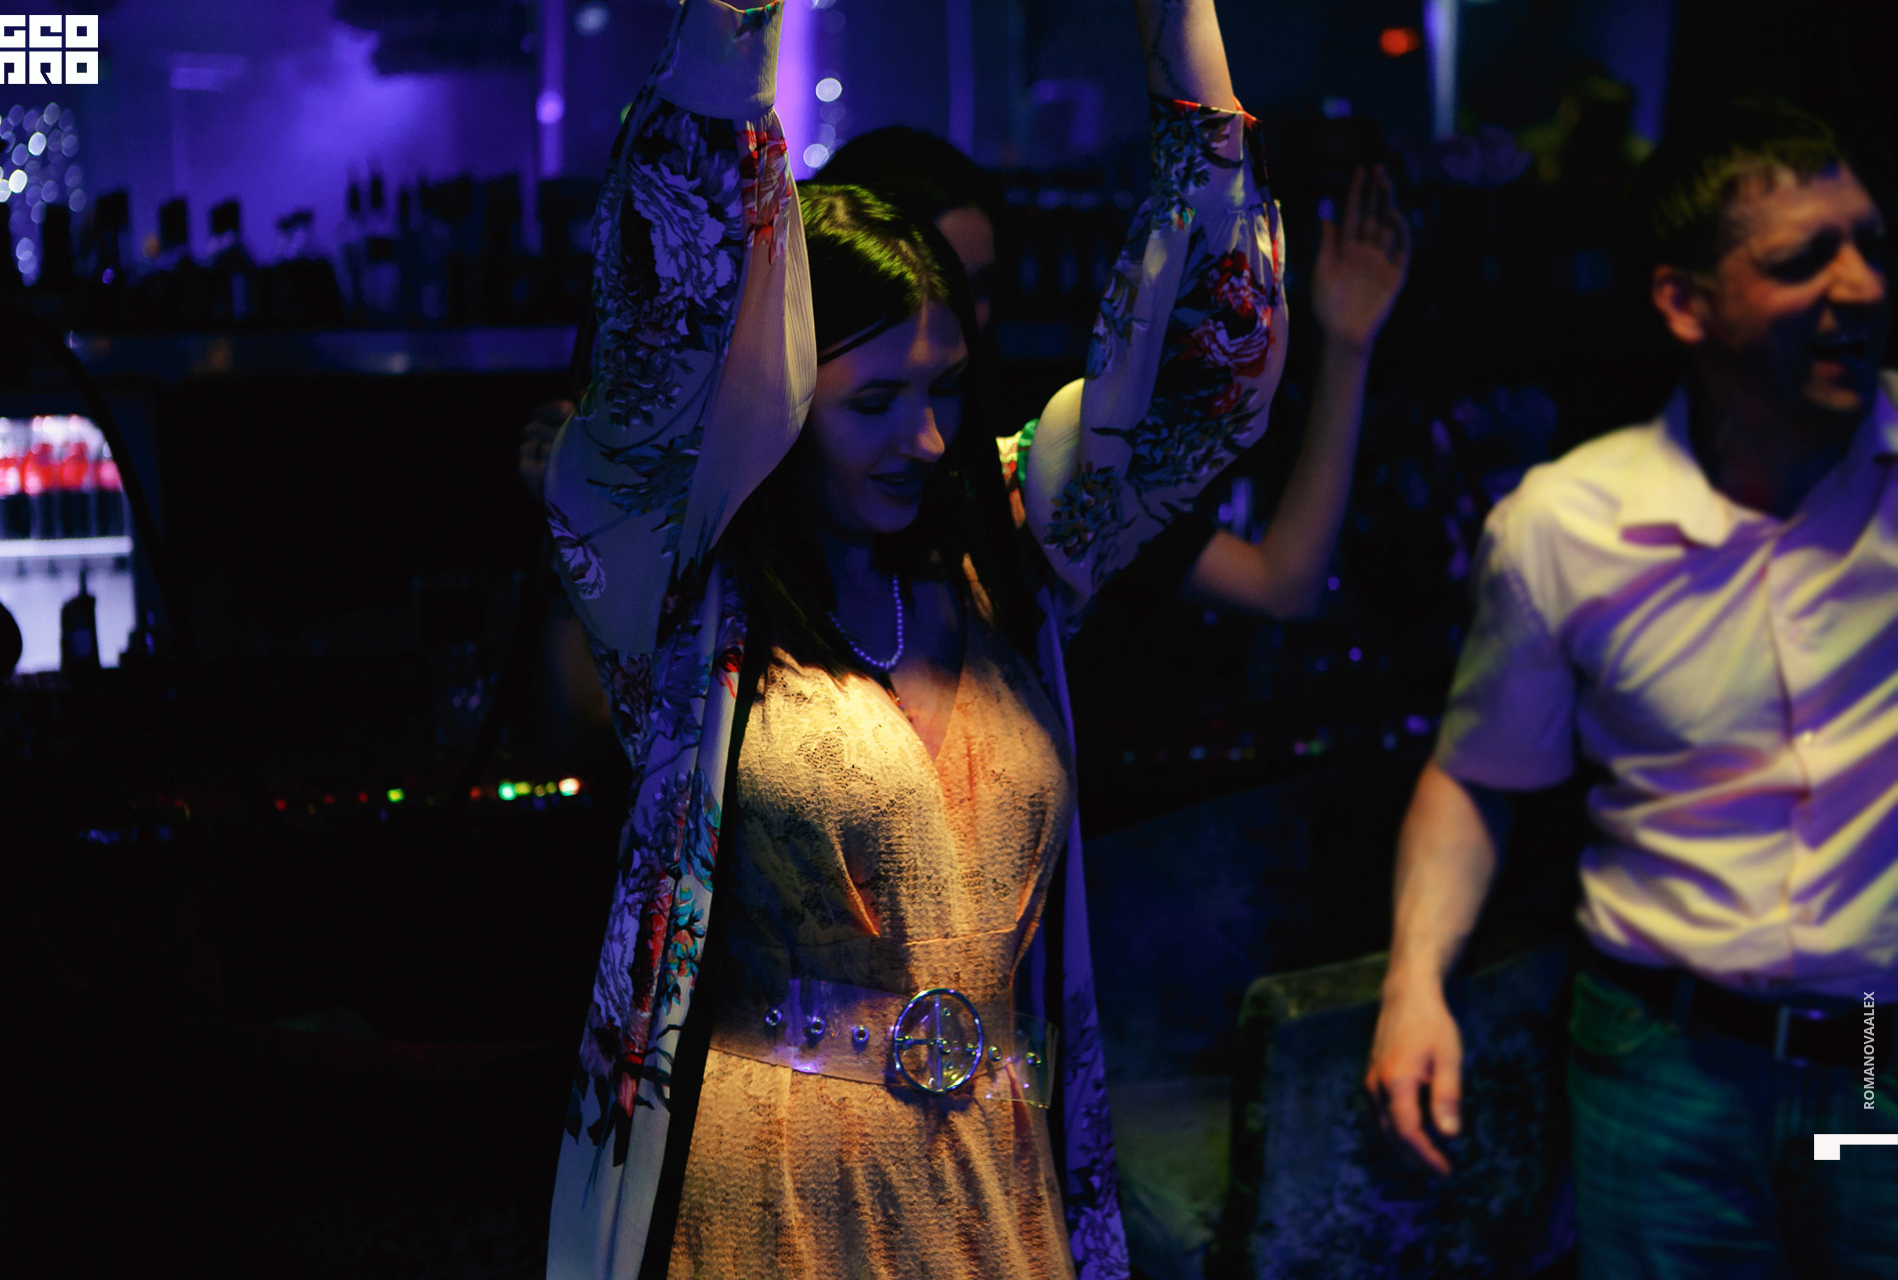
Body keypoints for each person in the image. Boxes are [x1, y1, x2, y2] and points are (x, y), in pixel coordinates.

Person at [542, 1, 1284, 1276]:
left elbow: (1211, 376)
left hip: (997, 1186)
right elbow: (665, 283)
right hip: (778, 1195)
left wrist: (1182, 35)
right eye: (875, 399)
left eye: (943, 388)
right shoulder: (689, 585)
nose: (927, 437)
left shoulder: (1006, 540)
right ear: (782, 401)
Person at [1364, 100, 1897, 1278]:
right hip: (1662, 1059)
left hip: (1872, 1057)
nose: (1861, 287)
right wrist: (1415, 983)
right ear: (1684, 301)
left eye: (1869, 245)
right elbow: (1478, 774)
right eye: (1804, 259)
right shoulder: (1566, 525)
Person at [817, 128, 1411, 621]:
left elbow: (1279, 581)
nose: (964, 319)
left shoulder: (1033, 463)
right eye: (934, 286)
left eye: (981, 286)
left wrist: (1346, 346)